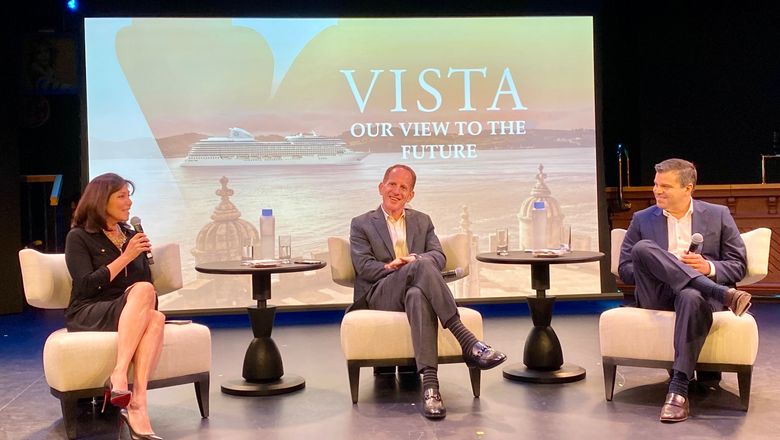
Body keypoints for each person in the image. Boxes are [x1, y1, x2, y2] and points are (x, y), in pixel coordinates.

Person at [349, 164, 507, 419]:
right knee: (420, 265)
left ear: (410, 195)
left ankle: (431, 387)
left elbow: (438, 256)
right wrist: (399, 267)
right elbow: (365, 267)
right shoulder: (362, 224)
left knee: (417, 294)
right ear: (381, 187)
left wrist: (412, 261)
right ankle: (468, 342)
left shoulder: (423, 221)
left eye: (404, 187)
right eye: (392, 184)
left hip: (413, 290)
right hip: (380, 294)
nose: (396, 191)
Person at [618, 158, 752, 423]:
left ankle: (678, 390)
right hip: (656, 295)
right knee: (643, 248)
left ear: (688, 188)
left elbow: (738, 266)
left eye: (665, 186)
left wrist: (707, 267)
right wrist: (663, 266)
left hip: (697, 299)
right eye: (656, 184)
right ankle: (724, 294)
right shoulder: (642, 219)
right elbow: (625, 268)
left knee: (690, 295)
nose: (657, 191)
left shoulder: (718, 215)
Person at [65, 173, 165, 440]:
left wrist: (137, 255)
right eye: (121, 196)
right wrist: (127, 256)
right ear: (101, 201)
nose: (129, 202)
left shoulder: (132, 235)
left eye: (129, 196)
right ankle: (119, 375)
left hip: (128, 309)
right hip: (89, 309)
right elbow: (85, 285)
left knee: (156, 317)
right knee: (145, 295)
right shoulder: (79, 237)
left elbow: (146, 284)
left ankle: (138, 403)